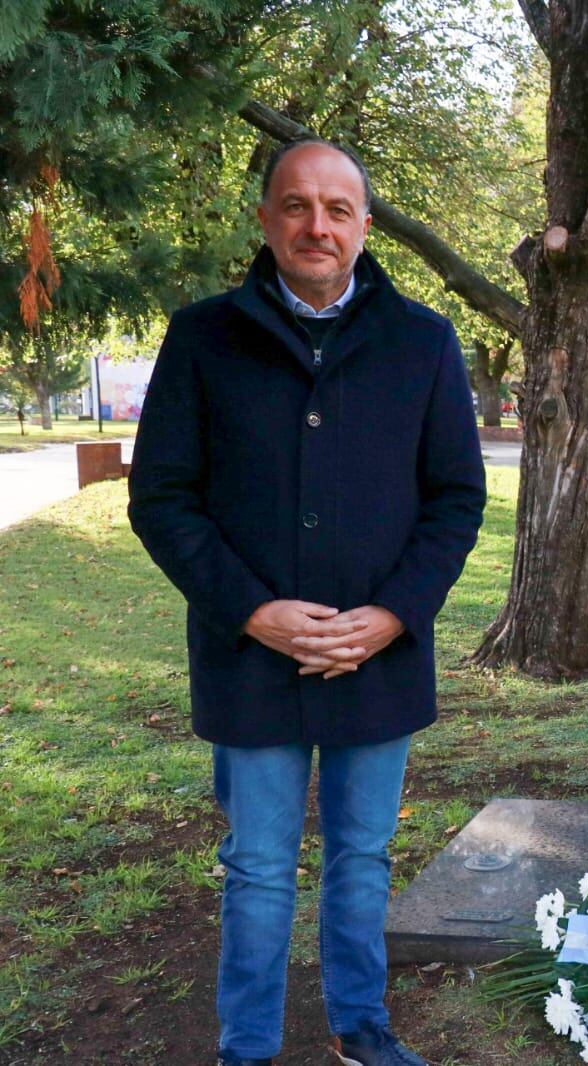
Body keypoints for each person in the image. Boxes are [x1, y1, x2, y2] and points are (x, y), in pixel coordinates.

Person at [127, 138, 486, 1066]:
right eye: (296, 205)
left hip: (382, 656)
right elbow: (163, 497)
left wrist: (396, 614)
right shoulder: (202, 336)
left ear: (365, 225)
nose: (316, 225)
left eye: (337, 208)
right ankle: (245, 1046)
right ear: (266, 219)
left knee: (363, 859)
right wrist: (252, 611)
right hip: (250, 656)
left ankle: (359, 1027)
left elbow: (456, 497)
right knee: (255, 869)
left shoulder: (424, 340)